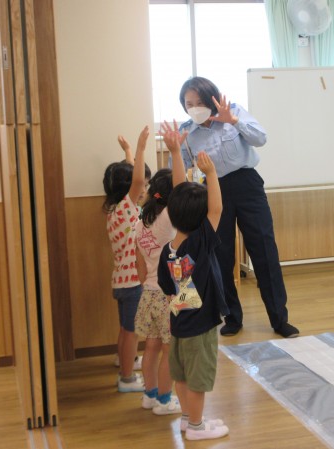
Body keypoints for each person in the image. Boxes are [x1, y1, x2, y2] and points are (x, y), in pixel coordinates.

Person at [175, 76, 299, 338]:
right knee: (220, 255)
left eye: (199, 102)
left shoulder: (233, 112)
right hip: (213, 191)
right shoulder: (187, 133)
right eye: (189, 104)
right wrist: (174, 149)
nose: (194, 108)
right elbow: (181, 171)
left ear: (211, 99)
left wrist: (233, 121)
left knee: (264, 249)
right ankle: (231, 317)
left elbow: (261, 138)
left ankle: (279, 318)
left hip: (247, 184)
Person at [158, 150, 230, 441]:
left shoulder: (168, 251)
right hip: (200, 327)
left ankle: (188, 419)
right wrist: (211, 174)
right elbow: (217, 210)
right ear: (200, 220)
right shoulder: (199, 244)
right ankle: (197, 428)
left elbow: (168, 292)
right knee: (198, 379)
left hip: (179, 326)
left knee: (183, 375)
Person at [134, 121, 186, 415]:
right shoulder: (168, 218)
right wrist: (175, 152)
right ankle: (165, 401)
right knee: (170, 350)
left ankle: (149, 395)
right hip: (168, 294)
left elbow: (140, 266)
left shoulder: (141, 222)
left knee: (151, 348)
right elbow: (181, 188)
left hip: (149, 292)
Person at [103, 125, 149, 392]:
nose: (142, 189)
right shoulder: (126, 208)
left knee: (125, 329)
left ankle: (126, 361)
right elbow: (138, 181)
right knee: (131, 332)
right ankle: (127, 378)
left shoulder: (115, 210)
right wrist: (140, 148)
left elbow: (134, 180)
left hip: (121, 282)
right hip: (133, 285)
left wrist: (129, 151)